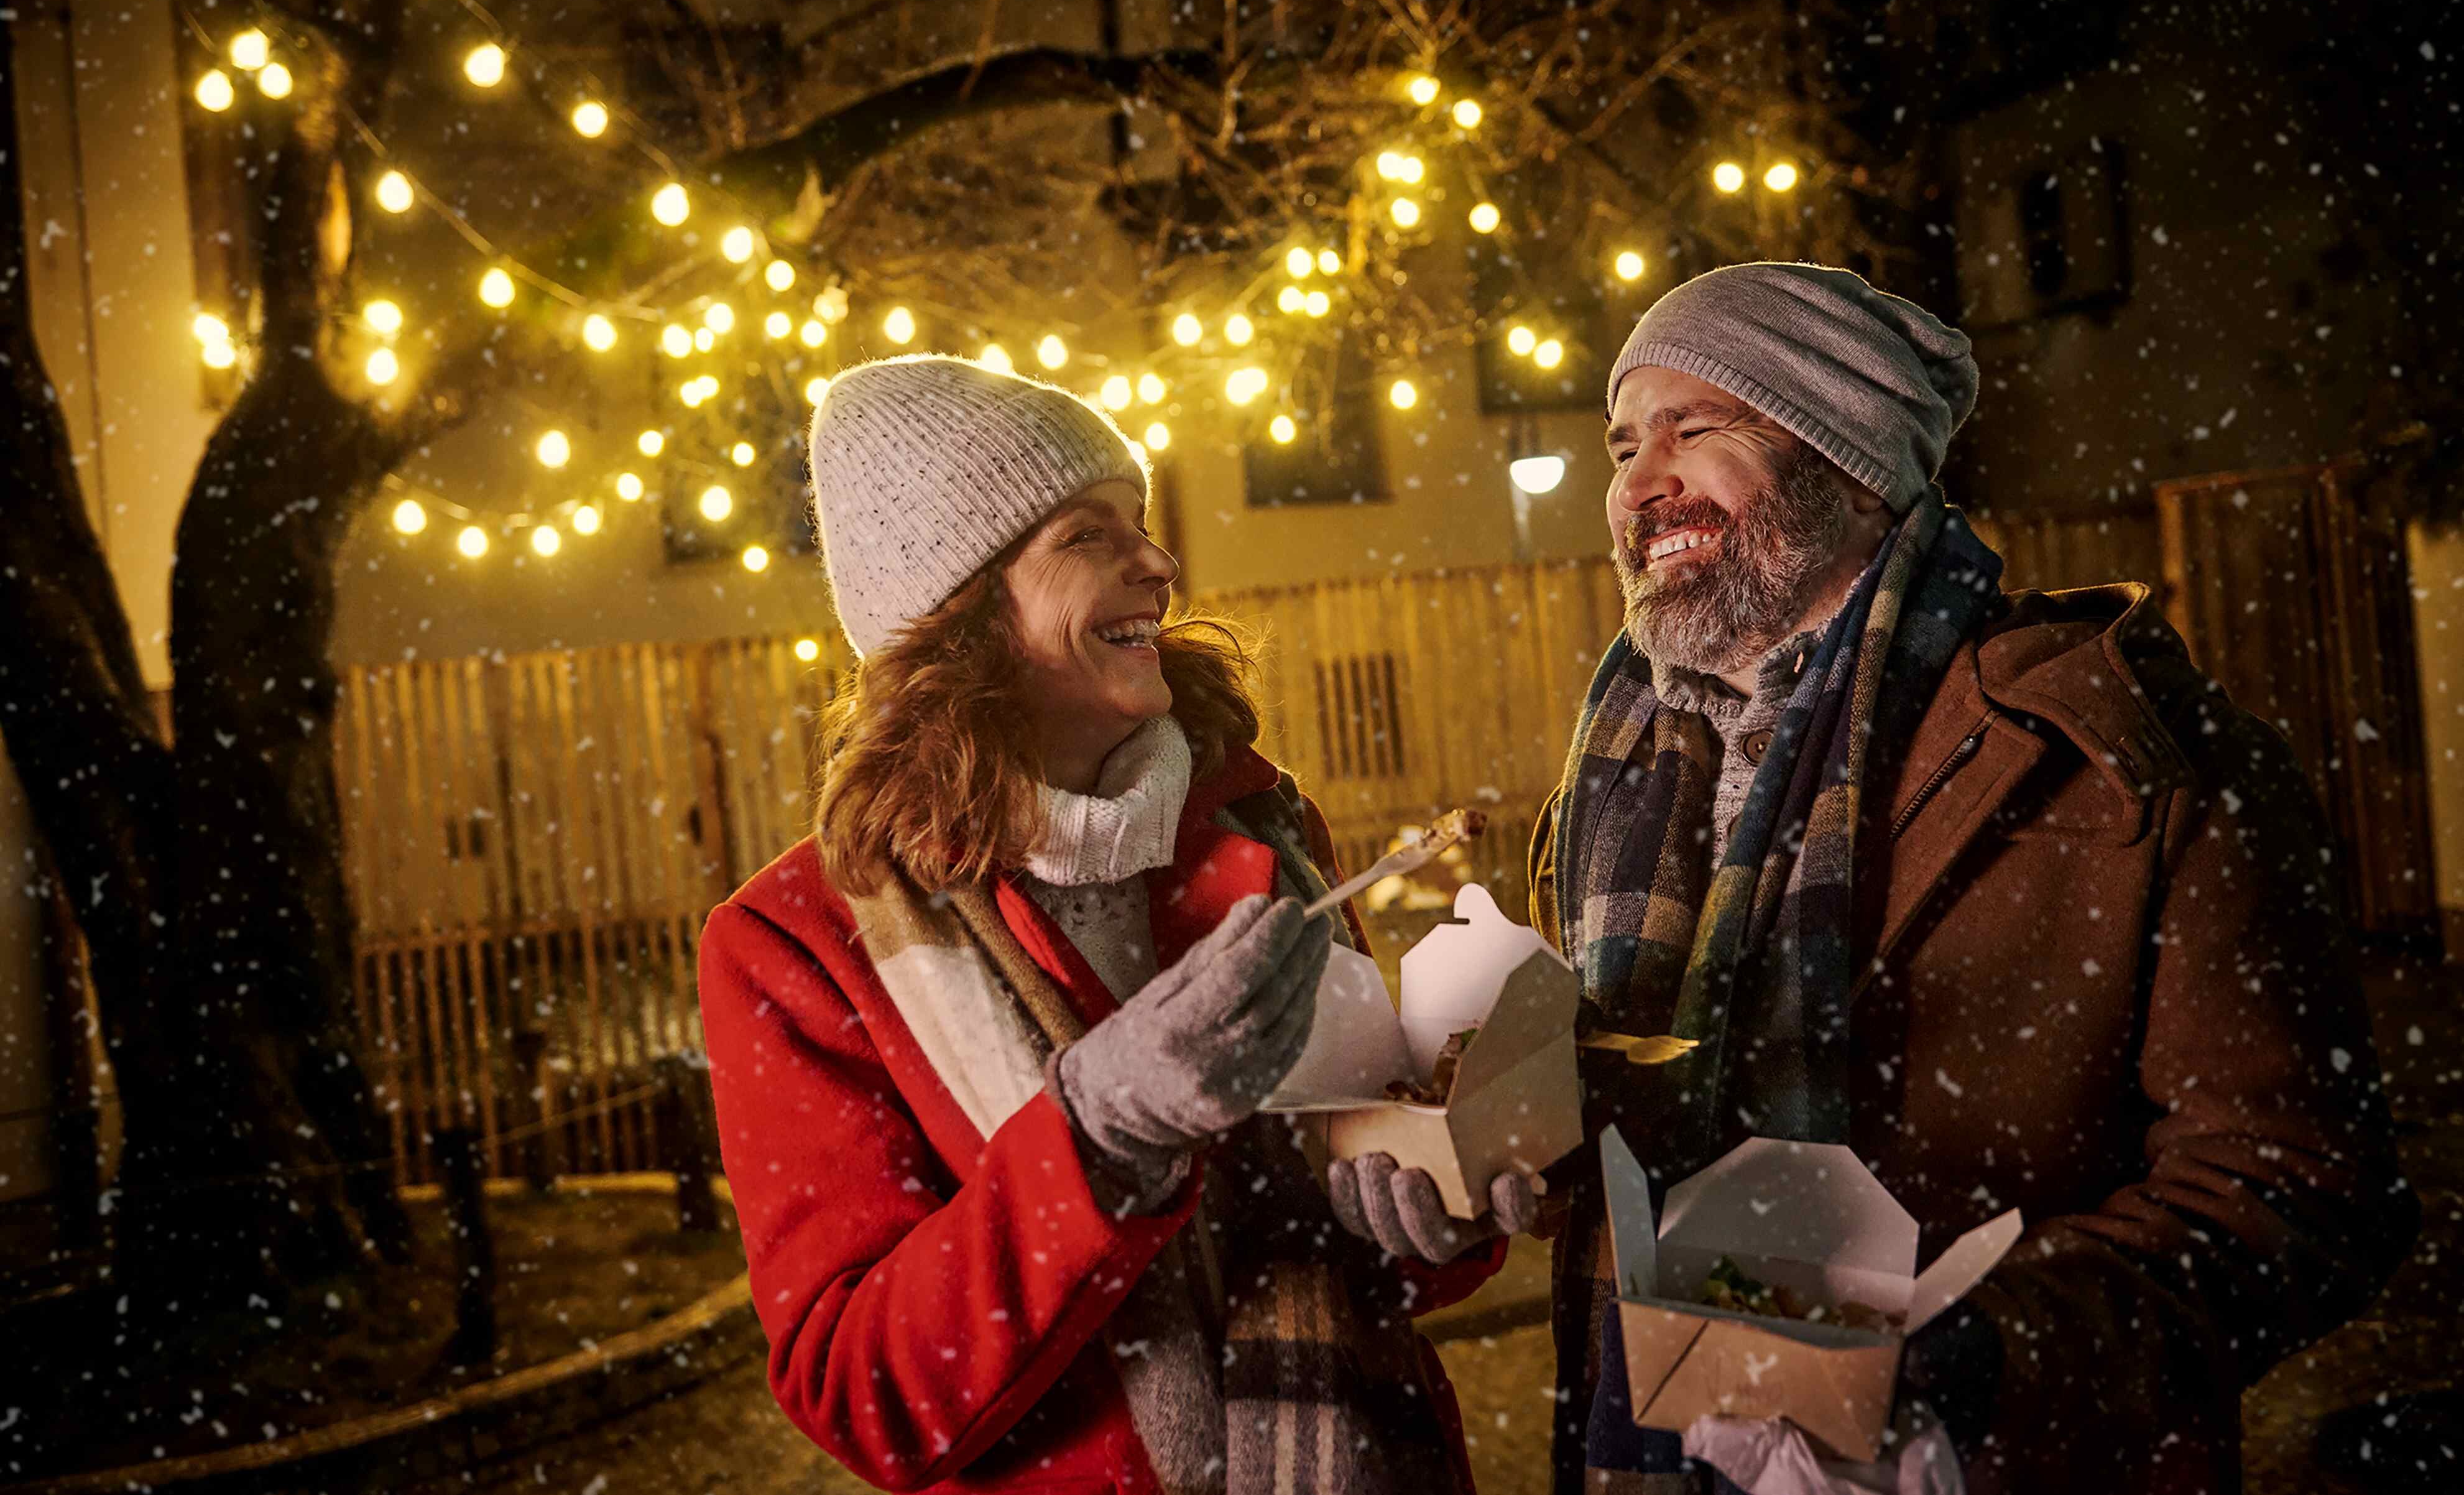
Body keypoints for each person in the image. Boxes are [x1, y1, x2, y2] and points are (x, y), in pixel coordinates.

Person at [1528, 264, 2417, 1493]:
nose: (1640, 479)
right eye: (1624, 443)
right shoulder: (1614, 779)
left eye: (1700, 425)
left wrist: (1979, 1345)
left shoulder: (2113, 748)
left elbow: (2303, 1192)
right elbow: (1630, 1145)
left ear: (1845, 457)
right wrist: (1487, 1157)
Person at [697, 355, 1530, 1495]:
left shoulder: (1259, 822)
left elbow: (1358, 1190)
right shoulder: (797, 946)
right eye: (1088, 534)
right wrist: (1100, 1133)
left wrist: (1424, 1202)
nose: (1160, 562)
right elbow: (865, 1388)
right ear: (963, 615)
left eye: (1139, 521)